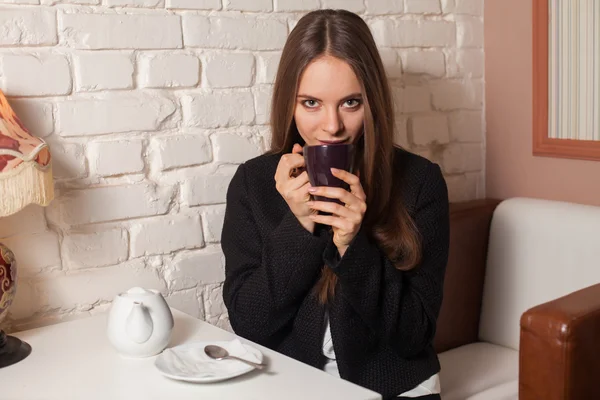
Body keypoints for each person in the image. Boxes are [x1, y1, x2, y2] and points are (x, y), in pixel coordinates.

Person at [221, 9, 449, 400]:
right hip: (294, 385)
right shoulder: (254, 183)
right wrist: (299, 225)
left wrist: (351, 243)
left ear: (372, 101)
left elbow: (415, 335)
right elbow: (249, 323)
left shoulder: (420, 181)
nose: (332, 126)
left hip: (397, 387)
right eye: (311, 102)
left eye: (350, 103)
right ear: (289, 103)